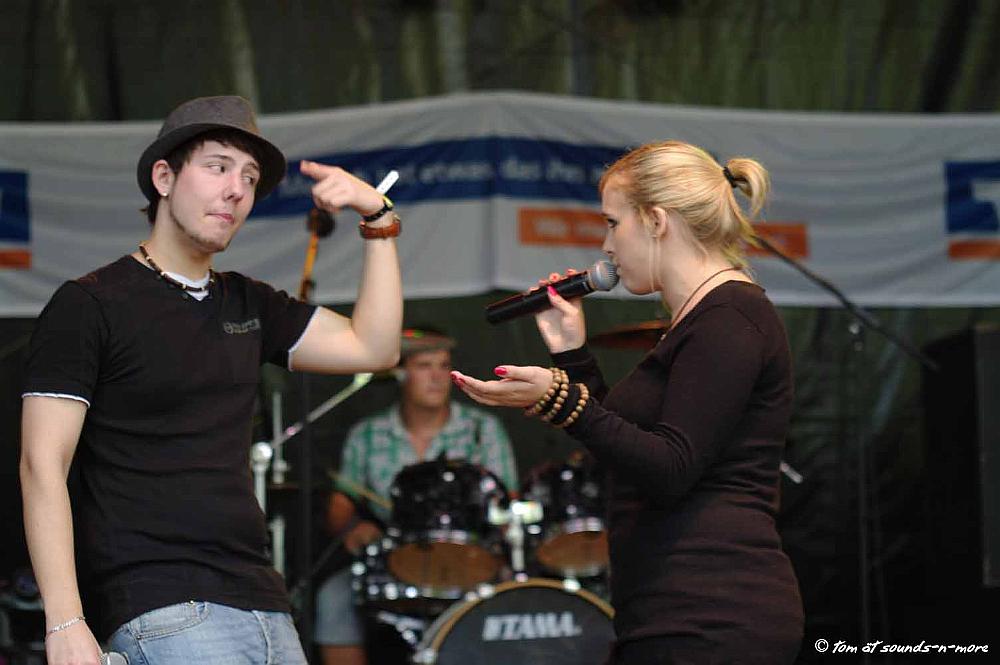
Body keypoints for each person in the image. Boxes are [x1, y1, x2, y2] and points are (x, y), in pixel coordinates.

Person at [19, 95, 403, 665]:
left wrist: (379, 219)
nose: (236, 190)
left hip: (264, 601)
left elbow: (375, 347)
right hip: (160, 603)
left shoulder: (248, 302)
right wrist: (64, 619)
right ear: (164, 178)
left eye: (249, 177)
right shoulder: (91, 304)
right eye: (218, 167)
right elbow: (41, 464)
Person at [451, 140, 804, 664]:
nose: (607, 245)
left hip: (713, 611)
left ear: (656, 221)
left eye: (613, 223)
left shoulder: (729, 318)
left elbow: (671, 468)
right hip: (671, 609)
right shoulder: (701, 319)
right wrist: (572, 357)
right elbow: (629, 452)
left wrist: (561, 400)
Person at [315, 328, 517, 665]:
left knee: (515, 601)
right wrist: (352, 529)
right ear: (400, 373)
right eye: (424, 366)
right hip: (392, 560)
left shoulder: (483, 429)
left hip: (472, 559)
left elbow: (507, 500)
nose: (437, 377)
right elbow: (342, 501)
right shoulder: (368, 434)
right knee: (334, 597)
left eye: (444, 366)